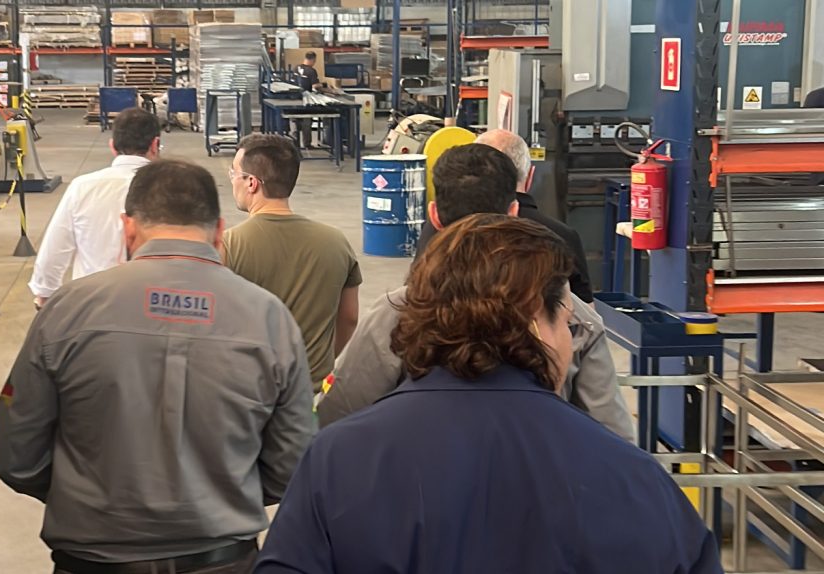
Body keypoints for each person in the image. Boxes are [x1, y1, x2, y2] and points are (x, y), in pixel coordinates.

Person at [256, 215, 722, 574]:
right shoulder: (633, 478)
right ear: (536, 318)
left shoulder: (337, 461)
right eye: (568, 323)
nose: (570, 340)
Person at [0, 160, 316, 574]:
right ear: (219, 231)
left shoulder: (67, 311)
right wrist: (223, 494)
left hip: (92, 560)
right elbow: (293, 463)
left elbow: (16, 456)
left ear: (127, 227)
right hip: (222, 560)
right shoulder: (270, 319)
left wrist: (85, 496)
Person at [317, 143, 634, 441]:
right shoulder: (573, 317)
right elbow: (613, 436)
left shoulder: (396, 313)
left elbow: (337, 415)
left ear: (434, 216)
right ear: (513, 211)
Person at [223, 134, 361, 391]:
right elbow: (350, 318)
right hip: (311, 392)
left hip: (252, 392)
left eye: (234, 174)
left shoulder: (228, 245)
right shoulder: (336, 242)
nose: (232, 181)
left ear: (252, 183)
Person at [417, 129, 594, 303]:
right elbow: (586, 315)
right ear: (513, 211)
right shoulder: (560, 238)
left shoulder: (436, 235)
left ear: (434, 215)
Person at [28, 107, 160, 308]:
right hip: (152, 305)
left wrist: (44, 294)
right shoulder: (171, 189)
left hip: (91, 305)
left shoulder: (83, 187)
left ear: (113, 146)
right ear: (155, 144)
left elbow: (55, 249)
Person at [293, 51, 322, 149]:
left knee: (295, 121)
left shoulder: (296, 68)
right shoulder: (311, 71)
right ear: (313, 59)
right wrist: (323, 85)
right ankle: (307, 144)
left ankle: (295, 144)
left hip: (294, 98)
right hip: (306, 100)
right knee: (306, 121)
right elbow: (315, 86)